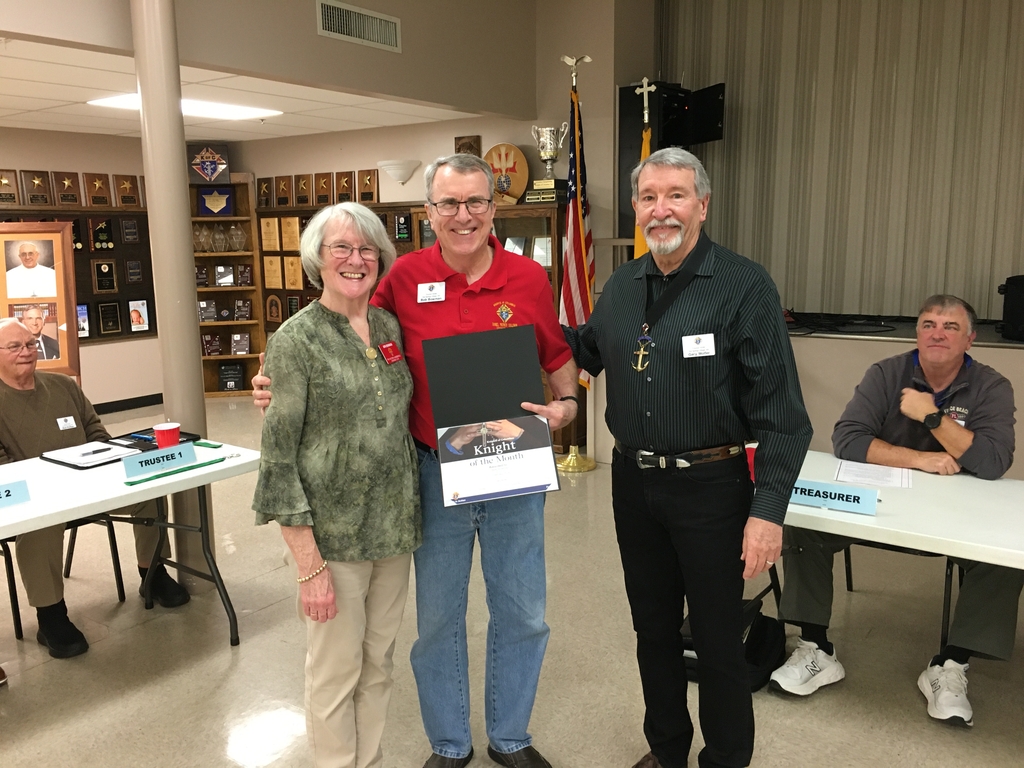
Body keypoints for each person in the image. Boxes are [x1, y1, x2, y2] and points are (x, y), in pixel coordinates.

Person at [254, 153, 578, 768]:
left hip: (514, 464)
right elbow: (343, 327)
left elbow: (558, 359)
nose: (463, 215)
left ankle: (510, 737)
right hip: (433, 469)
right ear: (429, 212)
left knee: (524, 611)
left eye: (476, 202)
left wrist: (565, 407)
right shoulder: (399, 279)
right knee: (438, 622)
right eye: (449, 204)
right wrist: (272, 385)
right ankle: (450, 744)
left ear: (493, 207)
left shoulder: (529, 279)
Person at [563, 147, 812, 768]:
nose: (661, 209)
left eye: (675, 195)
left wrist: (768, 513)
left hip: (712, 490)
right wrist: (497, 343)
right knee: (652, 630)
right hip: (634, 485)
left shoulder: (743, 284)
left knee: (718, 639)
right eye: (648, 197)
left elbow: (785, 416)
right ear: (636, 208)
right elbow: (583, 351)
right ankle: (667, 749)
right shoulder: (620, 286)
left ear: (702, 204)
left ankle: (725, 758)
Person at [772, 295, 1020, 728]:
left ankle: (950, 665)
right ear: (917, 333)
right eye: (928, 324)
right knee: (803, 525)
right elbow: (847, 440)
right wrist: (922, 459)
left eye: (950, 326)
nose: (937, 333)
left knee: (1005, 554)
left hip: (956, 510)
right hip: (882, 505)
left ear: (971, 339)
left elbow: (994, 461)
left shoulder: (991, 386)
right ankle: (816, 649)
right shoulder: (887, 373)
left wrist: (932, 417)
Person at [252, 202, 420, 768]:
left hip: (394, 531)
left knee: (378, 665)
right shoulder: (295, 340)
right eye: (340, 248)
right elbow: (278, 458)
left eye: (367, 248)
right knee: (334, 673)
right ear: (317, 260)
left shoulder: (389, 326)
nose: (355, 259)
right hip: (334, 542)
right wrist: (309, 565)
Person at [0, 318, 189, 659]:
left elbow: (95, 430)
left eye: (30, 344)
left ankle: (153, 572)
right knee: (40, 524)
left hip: (91, 482)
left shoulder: (62, 387)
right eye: (14, 347)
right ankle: (51, 615)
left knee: (148, 491)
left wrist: (101, 462)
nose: (26, 352)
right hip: (35, 498)